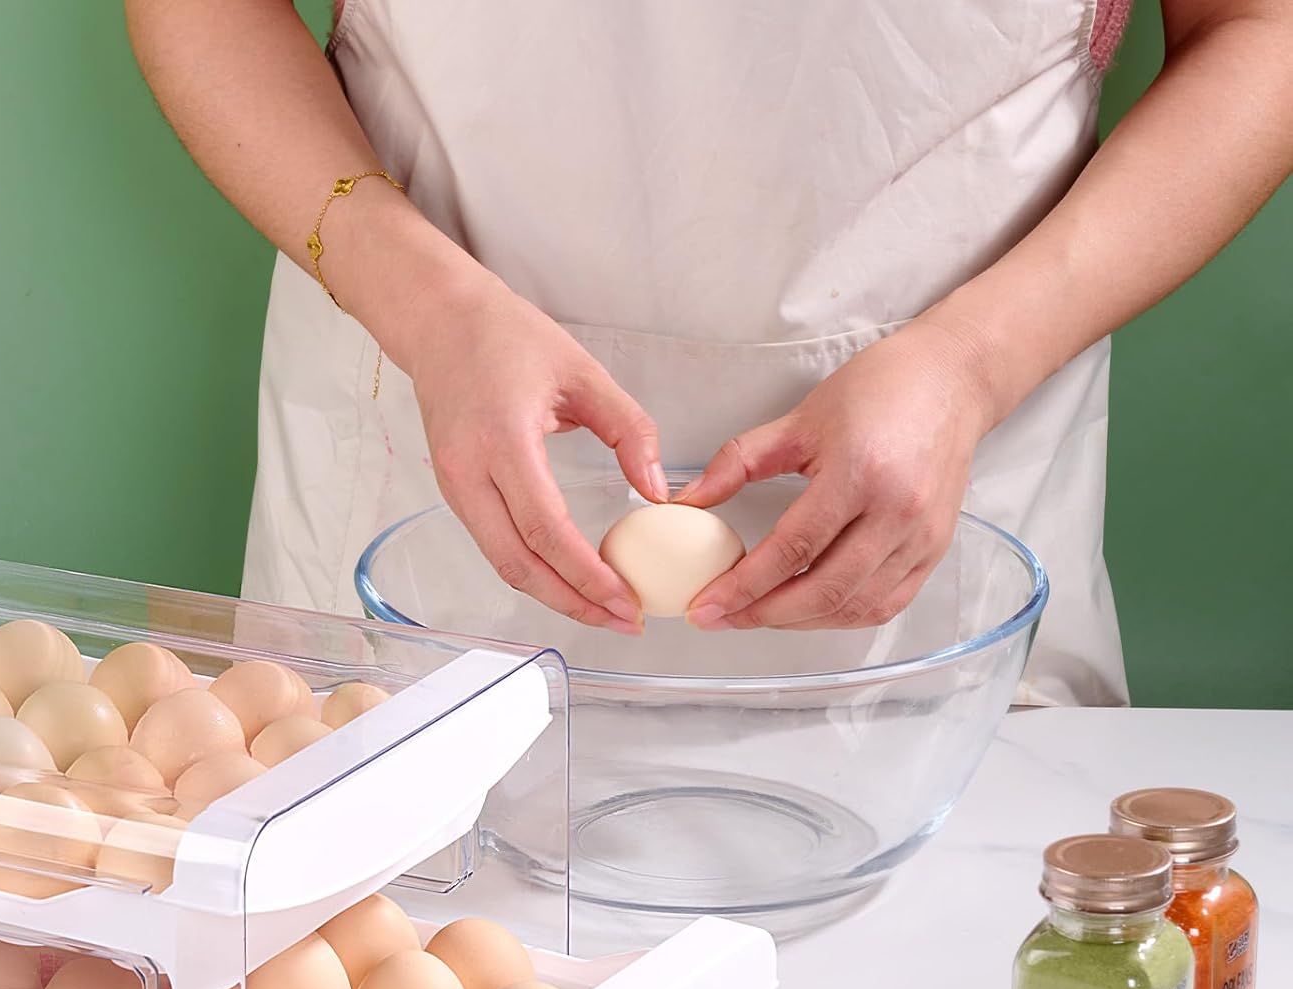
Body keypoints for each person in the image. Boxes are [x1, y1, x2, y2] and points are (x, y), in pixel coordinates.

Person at [125, 0, 1293, 706]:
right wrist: (428, 309)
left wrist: (974, 363)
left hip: (943, 528)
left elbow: (1260, 30)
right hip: (418, 468)